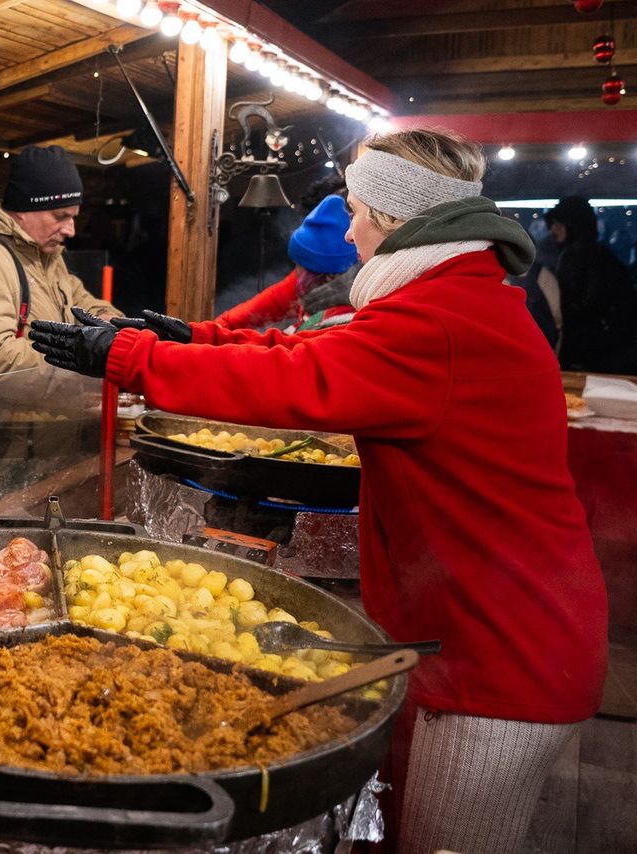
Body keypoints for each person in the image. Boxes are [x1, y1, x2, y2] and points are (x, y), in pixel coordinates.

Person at [30, 129, 608, 854]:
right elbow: (316, 348)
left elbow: (297, 380)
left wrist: (134, 357)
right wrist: (196, 341)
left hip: (501, 653)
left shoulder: (441, 322)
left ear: (394, 218)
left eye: (357, 213)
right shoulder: (452, 298)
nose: (351, 232)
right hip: (479, 626)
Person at [0, 145, 119, 380]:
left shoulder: (45, 253)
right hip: (3, 405)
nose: (71, 230)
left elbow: (81, 304)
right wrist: (79, 356)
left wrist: (112, 328)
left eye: (74, 216)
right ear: (24, 209)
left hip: (47, 401)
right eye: (60, 216)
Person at [215, 194, 359, 332]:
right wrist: (211, 331)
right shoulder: (302, 282)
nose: (297, 270)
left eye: (301, 265)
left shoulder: (344, 315)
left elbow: (292, 343)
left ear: (326, 275)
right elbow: (241, 317)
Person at [545, 195, 637, 373]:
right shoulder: (601, 255)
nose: (553, 230)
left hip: (591, 352)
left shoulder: (575, 257)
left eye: (558, 224)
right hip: (608, 350)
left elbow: (588, 305)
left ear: (573, 225)